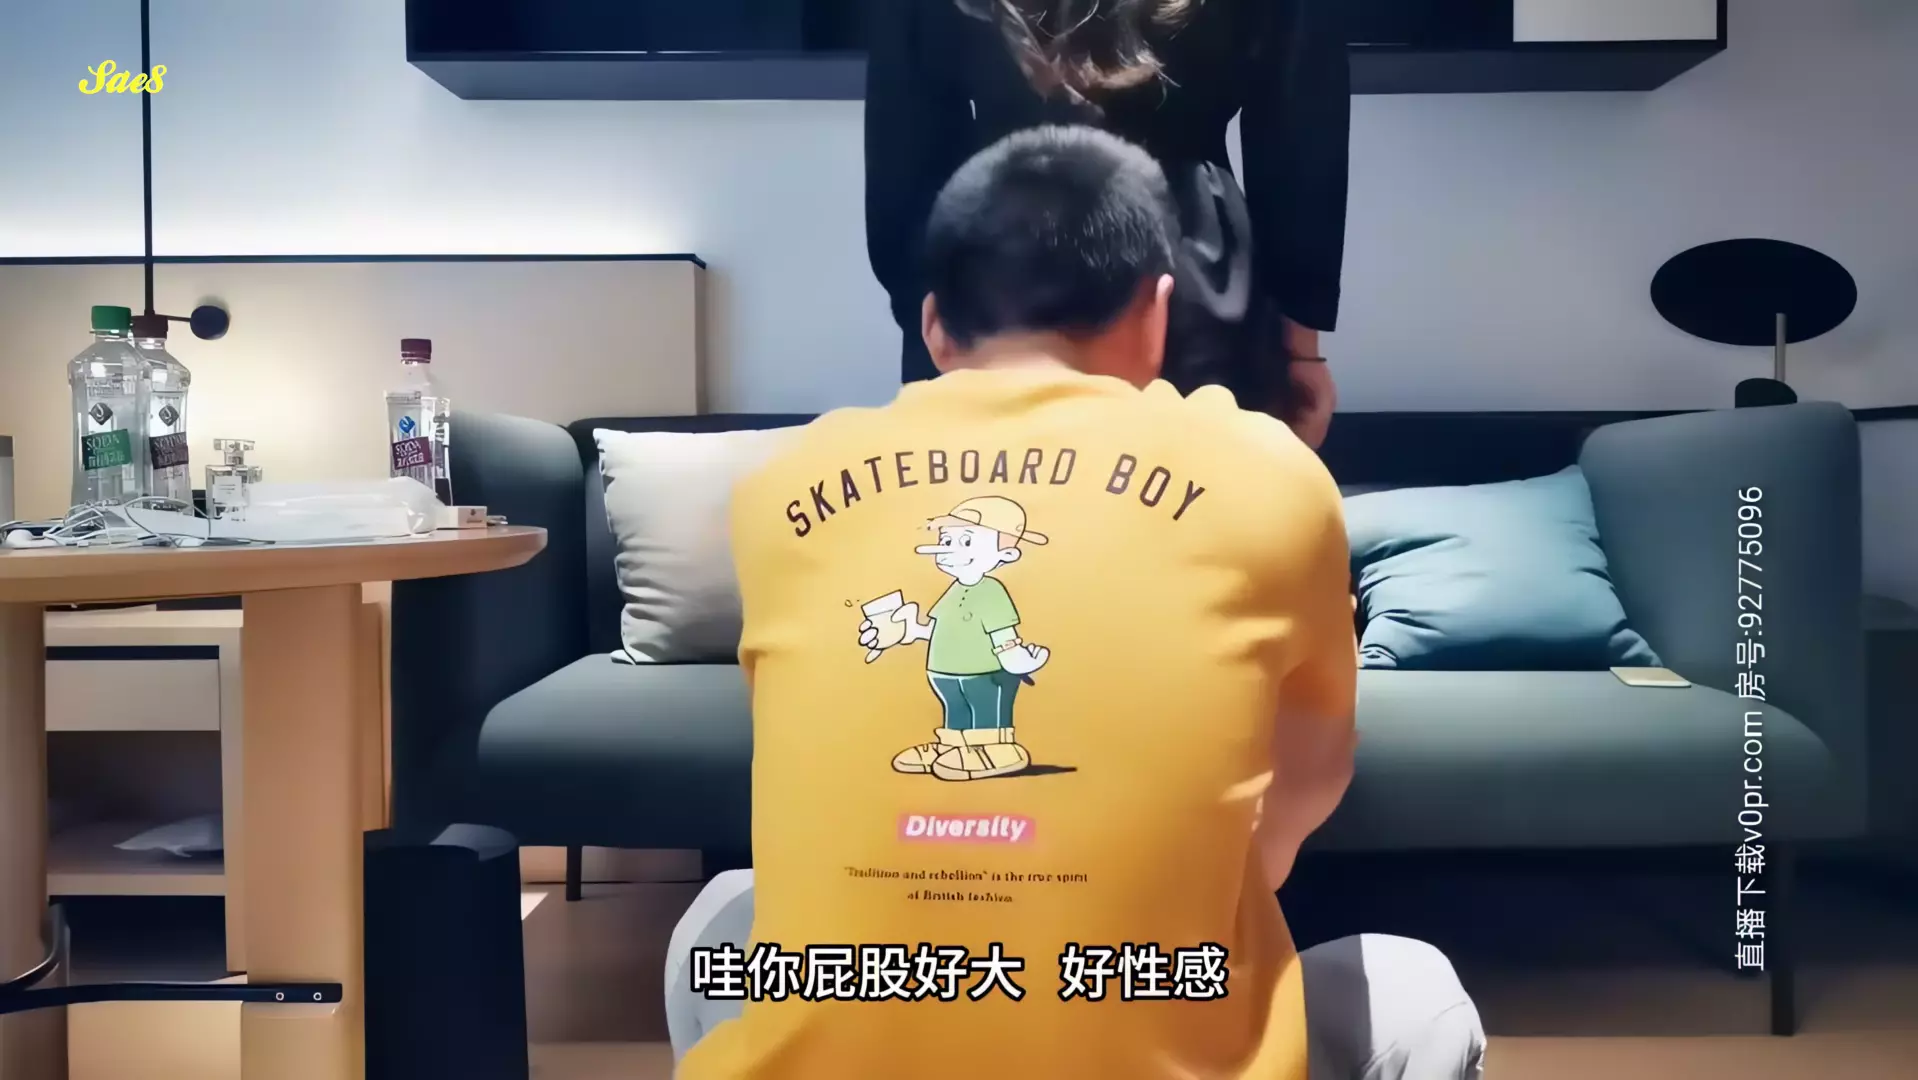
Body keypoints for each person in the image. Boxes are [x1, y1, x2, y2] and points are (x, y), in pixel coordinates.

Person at [668, 127, 1482, 1079]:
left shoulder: (782, 486)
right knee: (1418, 990)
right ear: (1156, 314)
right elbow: (1305, 782)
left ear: (934, 326)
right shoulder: (1271, 473)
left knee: (720, 917)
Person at [865, 0, 1348, 449]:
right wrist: (1300, 349)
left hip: (998, 274)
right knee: (1199, 498)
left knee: (1006, 502)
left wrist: (931, 325)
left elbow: (904, 151)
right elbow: (1299, 134)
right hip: (1193, 272)